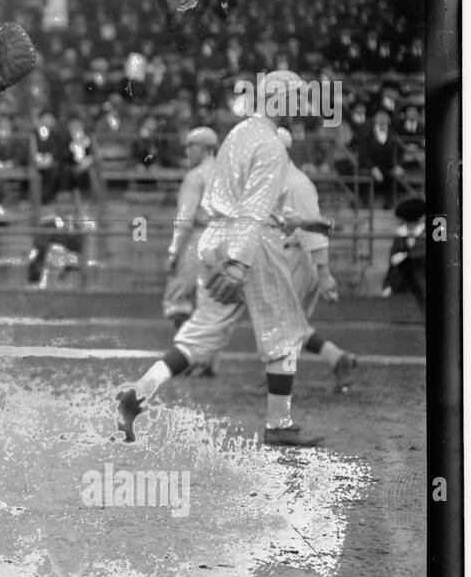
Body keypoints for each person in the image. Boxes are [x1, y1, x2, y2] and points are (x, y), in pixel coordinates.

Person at [115, 73, 321, 447]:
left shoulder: (239, 133)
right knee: (285, 333)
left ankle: (139, 392)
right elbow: (254, 210)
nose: (299, 108)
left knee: (200, 335)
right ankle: (279, 423)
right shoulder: (272, 146)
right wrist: (239, 262)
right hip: (250, 243)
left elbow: (244, 199)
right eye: (295, 99)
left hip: (212, 237)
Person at [274, 127, 359, 393]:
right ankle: (337, 358)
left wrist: (324, 274)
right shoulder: (271, 179)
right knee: (291, 323)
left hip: (298, 256)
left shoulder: (297, 184)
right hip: (282, 256)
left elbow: (316, 231)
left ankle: (281, 381)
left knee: (286, 325)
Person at [161, 127, 218, 346]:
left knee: (177, 297)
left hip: (199, 237)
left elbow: (185, 219)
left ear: (204, 148)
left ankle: (189, 354)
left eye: (191, 146)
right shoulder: (228, 174)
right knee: (210, 304)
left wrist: (173, 252)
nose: (187, 151)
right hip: (224, 240)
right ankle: (209, 361)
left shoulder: (195, 176)